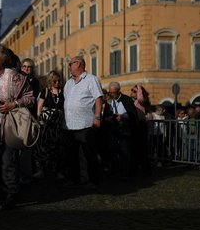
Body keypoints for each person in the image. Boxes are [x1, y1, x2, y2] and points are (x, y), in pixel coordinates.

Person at [0, 42, 34, 210]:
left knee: (7, 162)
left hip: (8, 126)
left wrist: (13, 104)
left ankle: (11, 193)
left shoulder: (13, 75)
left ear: (3, 58)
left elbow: (30, 97)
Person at [62, 56, 103, 189]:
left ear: (79, 64)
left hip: (85, 124)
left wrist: (97, 117)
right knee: (71, 155)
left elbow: (98, 99)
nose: (68, 66)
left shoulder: (91, 79)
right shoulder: (68, 83)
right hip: (69, 125)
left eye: (70, 64)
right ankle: (74, 179)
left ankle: (93, 181)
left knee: (89, 154)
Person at [104, 81, 138, 179]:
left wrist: (123, 117)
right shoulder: (111, 101)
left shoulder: (127, 100)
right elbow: (110, 113)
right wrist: (109, 118)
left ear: (119, 91)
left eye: (113, 93)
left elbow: (132, 114)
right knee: (112, 149)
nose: (111, 95)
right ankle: (116, 169)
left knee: (125, 151)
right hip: (114, 129)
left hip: (125, 129)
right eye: (110, 92)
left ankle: (127, 173)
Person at [34, 70, 65, 180]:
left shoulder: (63, 92)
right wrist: (38, 120)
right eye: (54, 81)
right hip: (46, 124)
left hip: (58, 125)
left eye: (58, 81)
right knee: (43, 147)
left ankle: (58, 171)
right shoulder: (45, 91)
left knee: (58, 148)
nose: (57, 83)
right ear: (50, 81)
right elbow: (39, 107)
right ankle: (41, 170)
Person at [17, 58, 40, 185]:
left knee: (27, 147)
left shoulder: (34, 81)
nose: (26, 69)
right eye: (24, 66)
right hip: (17, 115)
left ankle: (27, 175)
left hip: (28, 116)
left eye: (29, 67)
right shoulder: (16, 79)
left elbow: (33, 99)